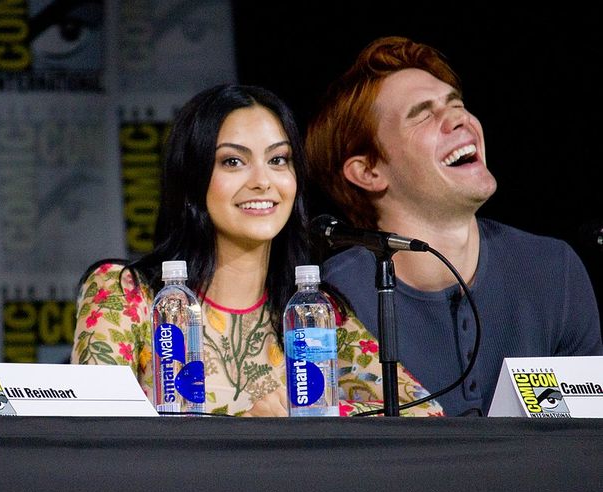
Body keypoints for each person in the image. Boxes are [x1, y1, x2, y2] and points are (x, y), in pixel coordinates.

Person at [73, 83, 441, 417]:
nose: (263, 181)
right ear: (192, 178)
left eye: (278, 160)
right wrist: (249, 432)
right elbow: (96, 430)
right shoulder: (126, 294)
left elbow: (424, 413)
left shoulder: (312, 313)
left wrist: (310, 410)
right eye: (233, 161)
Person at [306, 36, 603, 417]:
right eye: (423, 114)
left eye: (457, 105)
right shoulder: (331, 304)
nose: (461, 119)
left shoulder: (552, 269)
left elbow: (584, 437)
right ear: (368, 171)